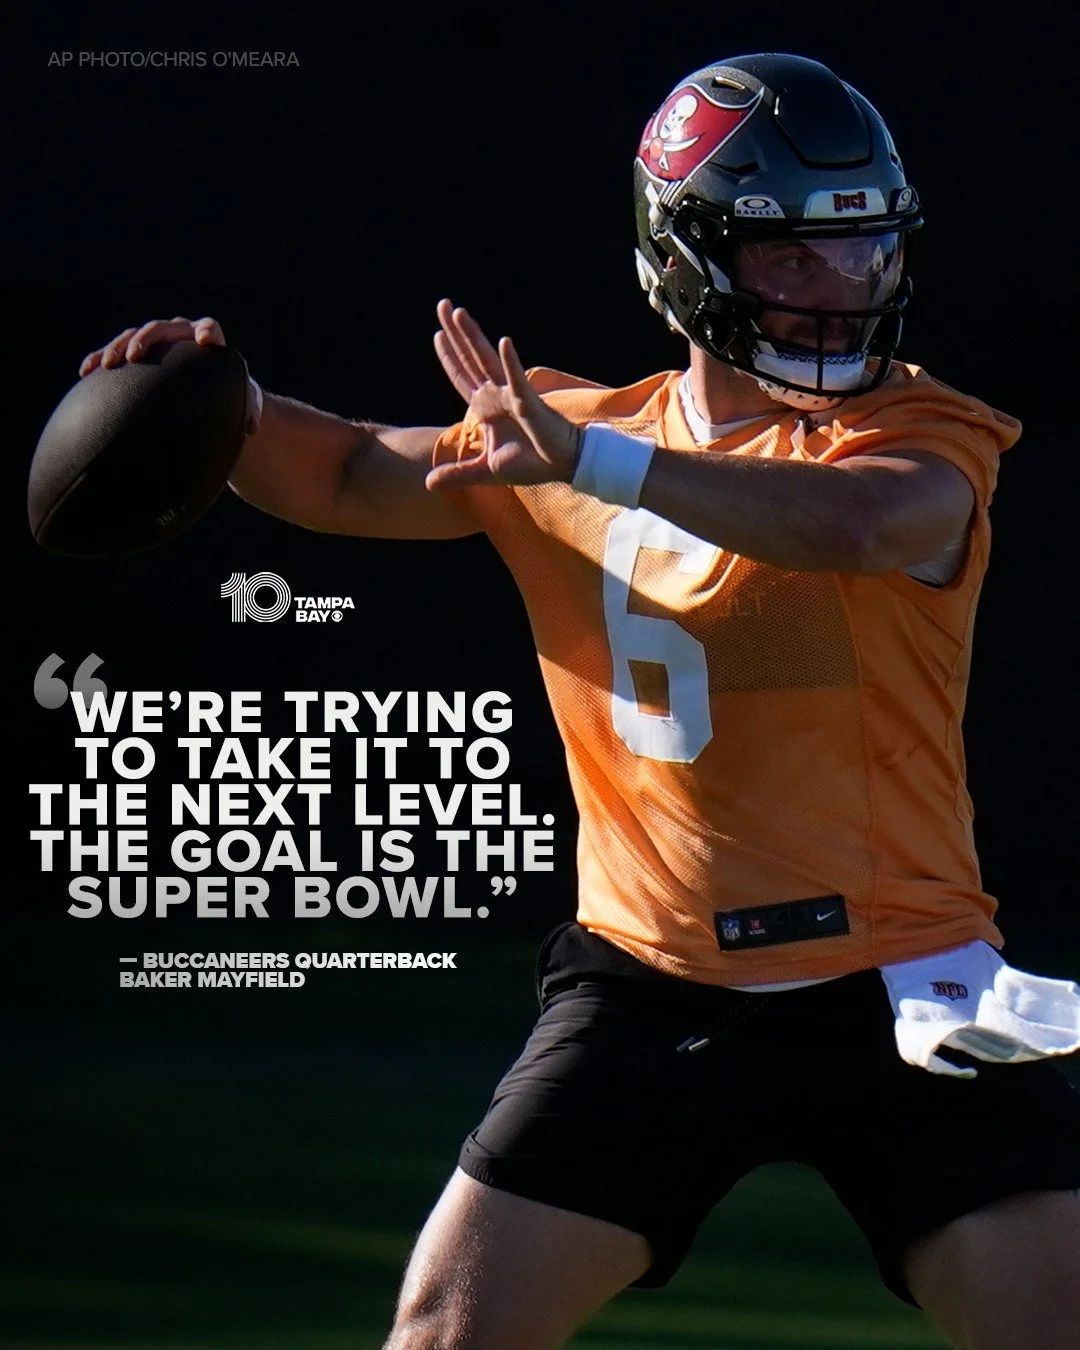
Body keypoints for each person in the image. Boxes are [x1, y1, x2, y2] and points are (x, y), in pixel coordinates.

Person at [80, 51, 1080, 1350]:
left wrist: (599, 463)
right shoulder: (559, 437)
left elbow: (863, 523)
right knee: (444, 1329)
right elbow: (342, 476)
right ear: (689, 259)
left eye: (863, 251)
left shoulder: (910, 433)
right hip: (652, 986)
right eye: (791, 256)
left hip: (908, 979)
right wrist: (219, 403)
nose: (840, 288)